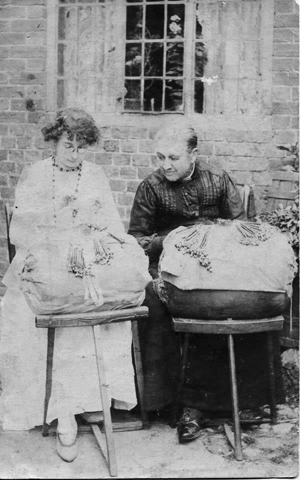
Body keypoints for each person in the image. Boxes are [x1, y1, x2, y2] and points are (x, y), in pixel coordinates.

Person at [0, 108, 150, 462]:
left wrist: (92, 225)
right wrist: (55, 220)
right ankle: (61, 410)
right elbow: (19, 231)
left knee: (100, 302)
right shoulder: (36, 174)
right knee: (50, 309)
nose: (75, 153)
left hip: (86, 257)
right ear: (54, 140)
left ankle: (92, 401)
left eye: (82, 147)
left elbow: (114, 226)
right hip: (45, 258)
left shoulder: (95, 174)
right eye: (69, 144)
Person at [128, 119, 284, 443]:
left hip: (217, 263)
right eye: (160, 158)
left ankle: (246, 401)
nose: (165, 165)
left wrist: (215, 238)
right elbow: (135, 240)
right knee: (156, 306)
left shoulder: (218, 179)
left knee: (238, 301)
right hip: (167, 268)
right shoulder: (151, 187)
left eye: (173, 158)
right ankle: (176, 404)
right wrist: (169, 241)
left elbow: (244, 229)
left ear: (193, 154)